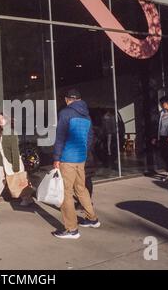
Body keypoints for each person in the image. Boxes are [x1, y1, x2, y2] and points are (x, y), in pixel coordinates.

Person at [52, 89, 100, 240]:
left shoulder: (65, 113)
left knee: (65, 193)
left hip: (67, 158)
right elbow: (90, 136)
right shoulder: (86, 114)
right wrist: (83, 152)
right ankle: (92, 219)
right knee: (81, 188)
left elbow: (60, 137)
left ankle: (71, 229)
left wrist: (56, 157)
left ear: (68, 100)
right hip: (81, 158)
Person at [0, 114, 34, 211]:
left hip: (11, 161)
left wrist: (16, 166)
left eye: (2, 118)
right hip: (0, 161)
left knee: (18, 181)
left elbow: (15, 151)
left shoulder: (11, 132)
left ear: (6, 119)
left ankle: (27, 198)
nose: (0, 120)